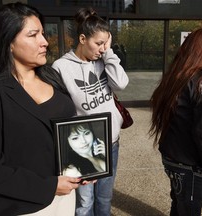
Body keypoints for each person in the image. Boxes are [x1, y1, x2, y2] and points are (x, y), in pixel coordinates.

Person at [0, 2, 84, 216]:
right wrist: (49, 186)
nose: (44, 42)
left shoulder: (52, 77)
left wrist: (84, 164)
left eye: (43, 34)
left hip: (67, 197)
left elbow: (66, 131)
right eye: (33, 35)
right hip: (24, 207)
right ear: (8, 42)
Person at [52, 7, 129, 216]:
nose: (102, 48)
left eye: (106, 43)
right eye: (99, 43)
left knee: (105, 198)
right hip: (83, 145)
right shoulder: (61, 67)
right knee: (84, 202)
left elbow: (121, 84)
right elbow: (58, 109)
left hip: (110, 142)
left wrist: (109, 52)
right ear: (83, 38)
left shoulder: (105, 60)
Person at [149, 29, 202, 216]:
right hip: (189, 163)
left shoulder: (176, 76)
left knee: (178, 202)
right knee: (188, 208)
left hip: (171, 156)